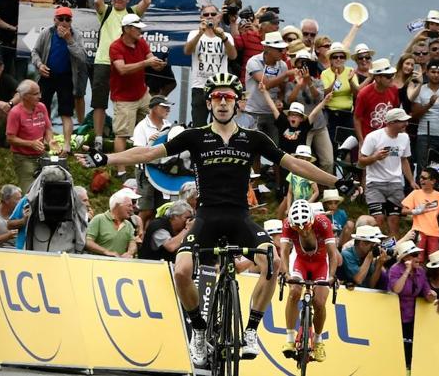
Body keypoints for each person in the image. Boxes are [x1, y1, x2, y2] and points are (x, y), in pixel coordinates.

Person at [76, 72, 356, 366]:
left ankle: (250, 331)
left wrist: (336, 181)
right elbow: (148, 152)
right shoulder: (194, 136)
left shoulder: (253, 138)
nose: (222, 102)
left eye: (228, 97)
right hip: (206, 217)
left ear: (237, 103)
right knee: (182, 270)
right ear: (209, 103)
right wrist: (106, 158)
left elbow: (295, 164)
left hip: (240, 217)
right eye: (216, 97)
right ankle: (198, 330)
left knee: (272, 262)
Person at [91, 0, 151, 152]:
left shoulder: (132, 12)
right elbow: (97, 1)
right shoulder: (107, 10)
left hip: (125, 64)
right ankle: (98, 139)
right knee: (99, 102)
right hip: (104, 61)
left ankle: (134, 140)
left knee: (129, 101)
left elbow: (147, 1)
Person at [280, 200, 337, 362]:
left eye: (305, 225)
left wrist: (332, 276)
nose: (302, 231)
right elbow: (284, 251)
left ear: (311, 220)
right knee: (294, 293)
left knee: (319, 303)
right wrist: (286, 273)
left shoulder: (323, 223)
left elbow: (332, 254)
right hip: (300, 262)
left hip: (321, 264)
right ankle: (290, 339)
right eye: (297, 227)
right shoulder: (287, 225)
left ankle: (318, 341)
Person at [109, 13, 165, 178]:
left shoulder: (141, 42)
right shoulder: (115, 46)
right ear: (127, 29)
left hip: (142, 93)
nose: (141, 31)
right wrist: (146, 63)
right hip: (124, 98)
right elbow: (122, 69)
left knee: (155, 126)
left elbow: (150, 59)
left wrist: (158, 64)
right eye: (137, 28)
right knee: (122, 134)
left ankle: (152, 163)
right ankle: (121, 172)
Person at [30, 6, 86, 156]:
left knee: (66, 112)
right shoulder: (47, 32)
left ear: (71, 21)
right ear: (54, 20)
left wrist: (69, 40)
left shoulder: (76, 35)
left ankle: (67, 146)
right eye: (60, 19)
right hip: (47, 74)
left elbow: (82, 57)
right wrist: (39, 65)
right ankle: (43, 141)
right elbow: (34, 51)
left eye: (67, 19)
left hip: (66, 76)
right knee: (42, 109)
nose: (64, 22)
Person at [359, 108, 417, 237]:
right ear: (391, 123)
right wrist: (374, 157)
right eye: (403, 121)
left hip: (395, 183)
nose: (406, 124)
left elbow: (404, 160)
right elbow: (361, 161)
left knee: (394, 221)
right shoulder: (373, 137)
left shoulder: (405, 137)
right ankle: (375, 250)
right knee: (378, 219)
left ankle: (393, 251)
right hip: (375, 183)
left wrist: (411, 181)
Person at [185, 4, 236, 127]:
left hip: (219, 86)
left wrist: (223, 37)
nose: (209, 17)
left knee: (219, 124)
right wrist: (199, 33)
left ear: (218, 16)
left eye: (213, 14)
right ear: (201, 17)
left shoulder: (226, 36)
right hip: (199, 86)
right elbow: (187, 51)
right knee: (199, 125)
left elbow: (233, 55)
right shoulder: (194, 34)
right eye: (206, 14)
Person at [389, 240, 437, 369]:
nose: (419, 258)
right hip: (395, 315)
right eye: (415, 255)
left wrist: (431, 295)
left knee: (410, 347)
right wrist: (407, 271)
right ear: (406, 257)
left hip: (412, 316)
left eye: (418, 254)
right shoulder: (395, 270)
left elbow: (426, 291)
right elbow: (397, 289)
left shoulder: (420, 272)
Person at [6, 79, 56, 193]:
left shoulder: (41, 107)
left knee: (55, 180)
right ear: (25, 96)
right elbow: (10, 138)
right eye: (36, 94)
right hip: (23, 157)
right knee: (30, 192)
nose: (40, 96)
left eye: (39, 92)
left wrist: (50, 140)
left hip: (42, 154)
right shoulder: (15, 113)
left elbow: (48, 128)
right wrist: (31, 143)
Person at [131, 95, 172, 227]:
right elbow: (137, 151)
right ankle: (138, 234)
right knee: (146, 209)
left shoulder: (168, 125)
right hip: (145, 171)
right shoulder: (141, 127)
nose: (168, 109)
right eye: (164, 107)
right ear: (154, 108)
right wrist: (150, 142)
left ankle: (148, 235)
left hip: (163, 171)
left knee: (159, 208)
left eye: (168, 107)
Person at [245, 31, 290, 144]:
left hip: (272, 113)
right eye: (279, 49)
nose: (283, 52)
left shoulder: (283, 65)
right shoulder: (253, 62)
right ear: (267, 48)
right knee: (254, 151)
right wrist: (286, 75)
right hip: (253, 113)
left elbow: (282, 88)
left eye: (283, 49)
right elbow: (266, 85)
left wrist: (279, 99)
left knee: (277, 149)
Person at [411, 59, 439, 168]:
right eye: (433, 72)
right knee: (423, 168)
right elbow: (415, 114)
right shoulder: (420, 89)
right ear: (427, 72)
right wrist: (429, 104)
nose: (436, 75)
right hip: (424, 134)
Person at [401, 167, 439, 261]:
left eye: (424, 178)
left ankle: (431, 276)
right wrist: (415, 211)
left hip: (434, 233)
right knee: (418, 259)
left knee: (435, 260)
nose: (421, 180)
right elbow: (403, 211)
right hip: (419, 231)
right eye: (420, 177)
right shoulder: (415, 193)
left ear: (433, 181)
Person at [354, 58, 400, 144]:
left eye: (393, 75)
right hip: (370, 139)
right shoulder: (364, 94)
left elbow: (395, 112)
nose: (392, 79)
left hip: (388, 137)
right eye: (388, 77)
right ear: (378, 78)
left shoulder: (394, 89)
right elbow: (357, 119)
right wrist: (361, 141)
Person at [321, 42, 359, 143]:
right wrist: (335, 79)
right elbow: (325, 92)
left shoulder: (350, 71)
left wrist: (350, 81)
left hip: (347, 114)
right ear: (330, 59)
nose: (338, 59)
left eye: (341, 56)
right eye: (335, 57)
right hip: (331, 114)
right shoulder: (325, 73)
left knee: (348, 143)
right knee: (331, 142)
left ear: (345, 58)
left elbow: (357, 94)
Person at [85, 188, 139, 257]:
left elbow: (132, 242)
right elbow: (88, 242)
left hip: (119, 266)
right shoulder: (99, 219)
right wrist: (106, 252)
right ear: (117, 206)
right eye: (129, 206)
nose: (131, 209)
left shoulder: (128, 225)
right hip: (99, 265)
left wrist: (129, 253)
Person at [339, 224, 387, 289]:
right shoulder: (347, 254)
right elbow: (358, 279)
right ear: (362, 243)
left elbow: (371, 285)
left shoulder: (368, 255)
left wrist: (379, 264)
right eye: (371, 244)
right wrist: (368, 258)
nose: (373, 247)